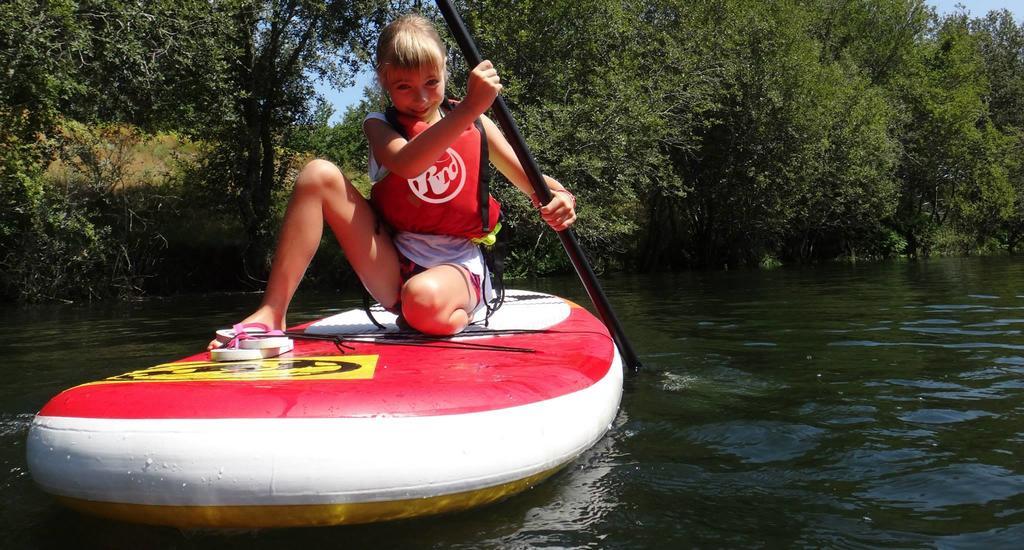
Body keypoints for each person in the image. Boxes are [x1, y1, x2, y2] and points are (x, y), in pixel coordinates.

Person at [210, 13, 575, 347]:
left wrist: (562, 200)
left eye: (432, 82)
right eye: (404, 87)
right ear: (384, 80)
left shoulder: (477, 123)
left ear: (446, 71)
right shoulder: (380, 125)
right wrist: (468, 109)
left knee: (423, 300)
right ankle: (271, 312)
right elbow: (406, 163)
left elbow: (536, 184)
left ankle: (459, 308)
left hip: (458, 265)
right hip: (392, 261)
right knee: (317, 174)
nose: (420, 98)